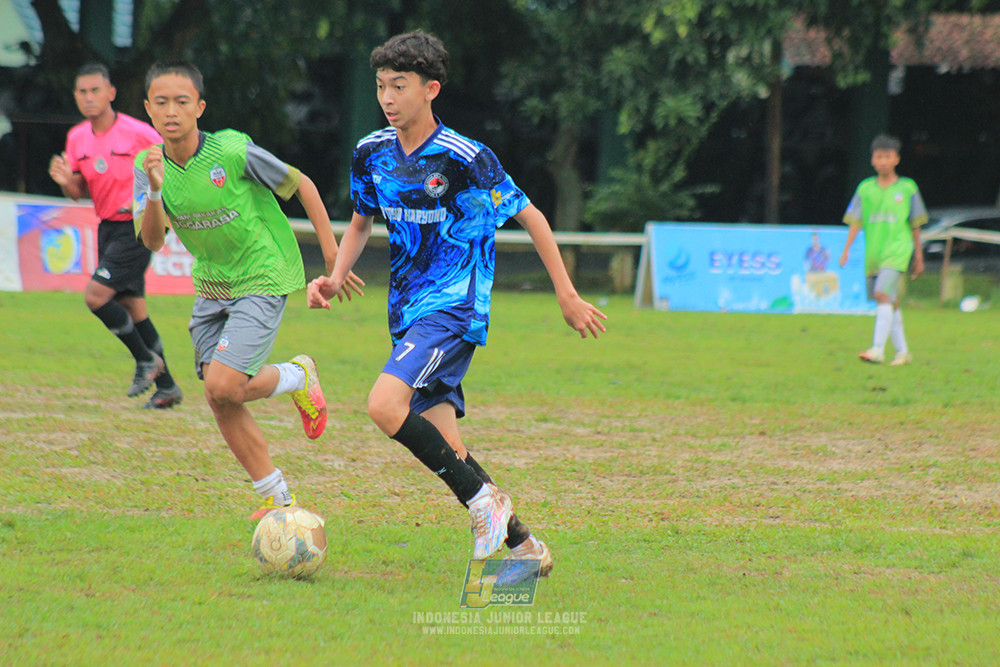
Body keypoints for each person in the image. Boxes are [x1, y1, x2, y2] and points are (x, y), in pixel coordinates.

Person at [307, 31, 608, 583]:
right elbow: (360, 221)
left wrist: (566, 293)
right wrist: (334, 275)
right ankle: (525, 546)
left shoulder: (466, 158)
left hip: (455, 308)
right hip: (406, 313)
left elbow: (531, 215)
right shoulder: (371, 152)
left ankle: (483, 506)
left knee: (383, 404)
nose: (387, 98)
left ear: (431, 89)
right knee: (449, 447)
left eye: (399, 86)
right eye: (380, 87)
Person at [133, 60, 363, 518]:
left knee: (223, 383)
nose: (172, 111)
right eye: (161, 103)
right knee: (220, 395)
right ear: (147, 110)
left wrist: (333, 256)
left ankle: (298, 376)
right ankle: (277, 499)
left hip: (263, 272)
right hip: (212, 285)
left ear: (200, 107)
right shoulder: (147, 165)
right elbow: (153, 240)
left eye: (182, 102)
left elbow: (303, 185)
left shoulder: (233, 152)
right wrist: (156, 191)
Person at [49, 63, 182, 408]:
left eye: (95, 90)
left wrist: (143, 199)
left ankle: (145, 361)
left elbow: (174, 166)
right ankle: (167, 388)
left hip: (138, 227)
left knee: (96, 297)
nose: (89, 97)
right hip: (107, 226)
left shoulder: (139, 132)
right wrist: (66, 183)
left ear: (111, 93)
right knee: (133, 307)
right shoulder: (77, 137)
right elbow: (78, 191)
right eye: (82, 92)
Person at [839, 134, 926, 365]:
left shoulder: (908, 188)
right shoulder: (865, 188)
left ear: (896, 159)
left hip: (897, 250)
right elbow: (855, 221)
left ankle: (877, 350)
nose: (883, 161)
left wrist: (918, 256)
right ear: (872, 160)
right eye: (879, 156)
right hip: (874, 253)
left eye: (888, 156)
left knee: (881, 294)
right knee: (889, 300)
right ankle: (903, 353)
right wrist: (846, 249)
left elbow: (915, 224)